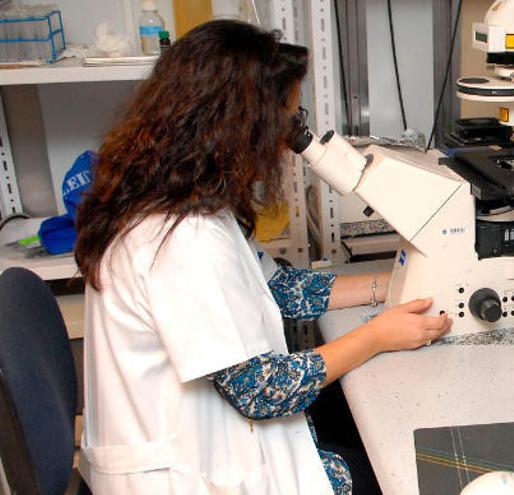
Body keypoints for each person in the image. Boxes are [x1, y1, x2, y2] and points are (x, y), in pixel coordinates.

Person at [74, 20, 451, 495]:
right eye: (287, 122)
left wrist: (397, 283)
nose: (289, 142)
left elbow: (279, 288)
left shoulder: (177, 192)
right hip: (183, 473)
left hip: (203, 439)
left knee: (360, 434)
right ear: (242, 126)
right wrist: (376, 336)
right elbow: (259, 389)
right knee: (396, 475)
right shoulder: (179, 237)